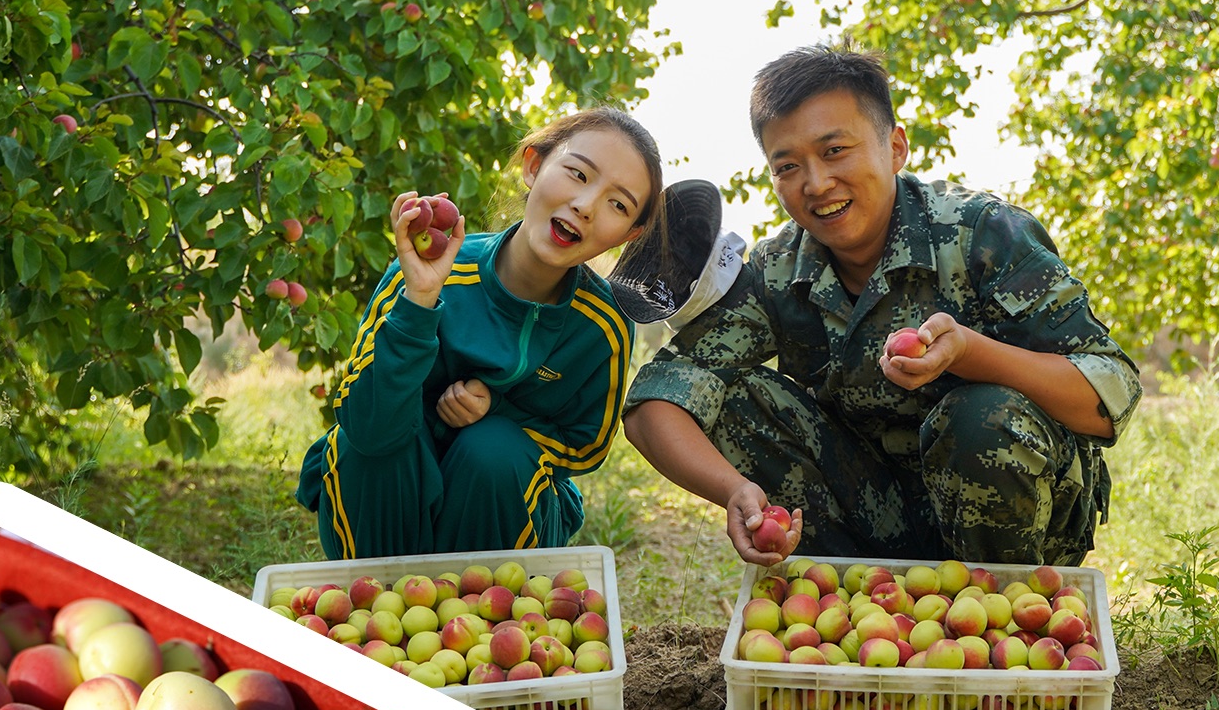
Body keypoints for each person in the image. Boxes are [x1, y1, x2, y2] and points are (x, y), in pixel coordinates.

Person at [621, 43, 1143, 568]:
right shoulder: (776, 268)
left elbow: (1109, 392)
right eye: (787, 166)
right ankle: (862, 597)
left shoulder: (982, 234)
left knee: (983, 417)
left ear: (895, 148)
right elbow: (653, 403)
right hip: (876, 522)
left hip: (1015, 531)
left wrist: (968, 353)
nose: (816, 184)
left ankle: (999, 616)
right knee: (732, 392)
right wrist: (733, 489)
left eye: (834, 151)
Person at [295, 107, 666, 560]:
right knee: (363, 443)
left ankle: (482, 613)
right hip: (391, 495)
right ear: (533, 166)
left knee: (493, 451)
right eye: (577, 173)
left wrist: (499, 412)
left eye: (618, 204)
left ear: (629, 234)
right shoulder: (431, 272)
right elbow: (367, 426)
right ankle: (373, 604)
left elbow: (585, 445)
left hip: (500, 511)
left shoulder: (602, 325)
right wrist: (420, 300)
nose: (586, 206)